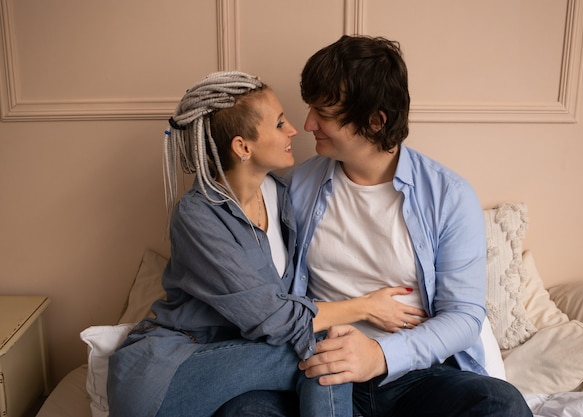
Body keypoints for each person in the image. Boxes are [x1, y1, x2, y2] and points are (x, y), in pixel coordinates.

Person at [218, 36, 533, 416]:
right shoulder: (295, 187)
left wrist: (380, 354)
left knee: (502, 403)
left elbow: (463, 317)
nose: (307, 124)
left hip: (414, 375)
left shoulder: (448, 196)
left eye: (324, 113)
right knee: (241, 411)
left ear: (375, 120)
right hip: (318, 368)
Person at [107, 71, 422, 417]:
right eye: (279, 124)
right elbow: (274, 318)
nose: (293, 130)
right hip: (169, 371)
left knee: (329, 352)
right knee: (327, 350)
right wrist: (365, 307)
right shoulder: (197, 216)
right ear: (242, 147)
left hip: (242, 363)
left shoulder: (283, 195)